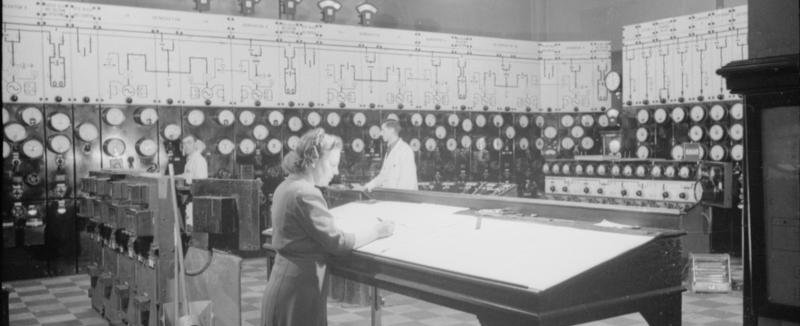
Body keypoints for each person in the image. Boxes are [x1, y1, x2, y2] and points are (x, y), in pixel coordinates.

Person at [261, 128, 394, 326]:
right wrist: (377, 231)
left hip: (285, 283)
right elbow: (338, 243)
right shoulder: (306, 193)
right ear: (314, 160)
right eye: (332, 165)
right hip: (299, 291)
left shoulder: (287, 185)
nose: (336, 172)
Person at [360, 120, 418, 191]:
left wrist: (397, 199)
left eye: (383, 130)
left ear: (391, 130)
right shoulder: (389, 150)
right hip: (391, 196)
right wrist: (368, 186)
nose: (381, 133)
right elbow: (383, 176)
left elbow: (407, 182)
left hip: (402, 198)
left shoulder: (405, 150)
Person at [179, 135, 207, 228]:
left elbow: (200, 183)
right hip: (190, 200)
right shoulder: (190, 160)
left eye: (189, 143)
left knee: (192, 229)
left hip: (195, 202)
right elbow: (185, 176)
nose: (186, 146)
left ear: (196, 144)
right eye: (184, 143)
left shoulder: (198, 160)